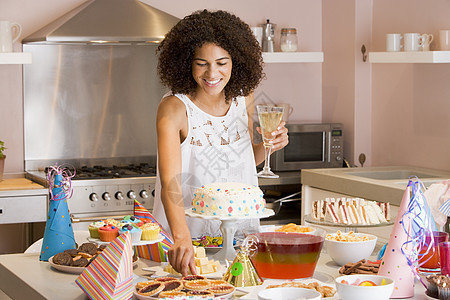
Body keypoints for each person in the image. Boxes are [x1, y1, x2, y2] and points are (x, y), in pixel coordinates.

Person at [152, 9, 289, 276]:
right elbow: (171, 183)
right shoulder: (173, 109)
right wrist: (181, 238)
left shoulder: (242, 96)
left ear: (236, 61)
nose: (212, 73)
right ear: (186, 62)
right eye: (201, 63)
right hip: (189, 243)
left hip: (239, 238)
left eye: (222, 62)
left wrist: (270, 146)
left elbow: (245, 157)